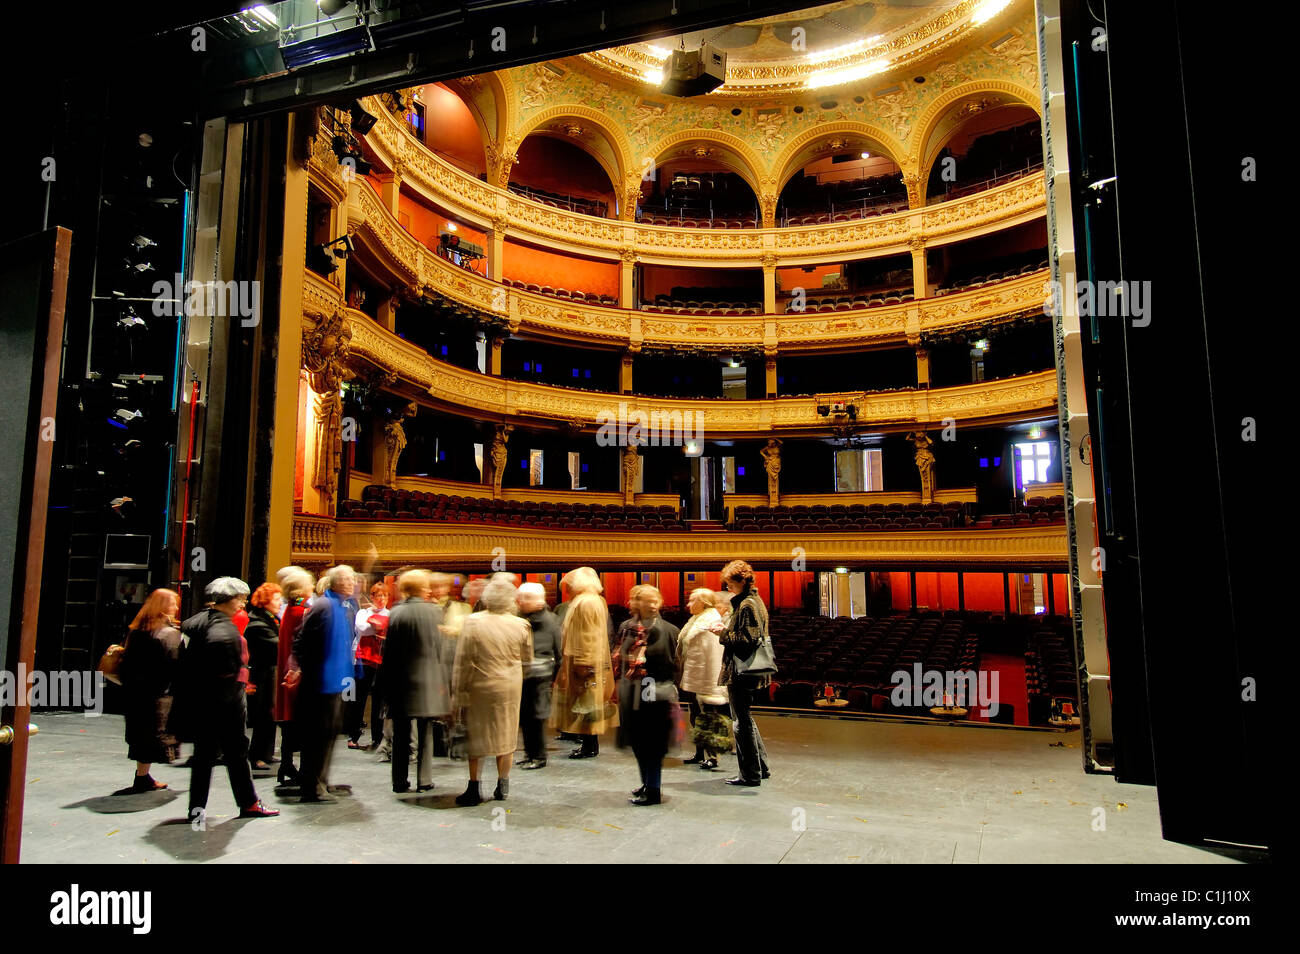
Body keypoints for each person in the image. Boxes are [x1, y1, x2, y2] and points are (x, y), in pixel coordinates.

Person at [174, 577, 278, 822]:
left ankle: (196, 808)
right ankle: (249, 803)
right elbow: (224, 660)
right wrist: (234, 683)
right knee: (236, 753)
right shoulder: (225, 627)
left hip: (200, 699)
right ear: (228, 600)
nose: (242, 603)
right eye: (240, 599)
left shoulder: (194, 621)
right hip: (225, 701)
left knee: (204, 756)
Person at [451, 574, 532, 805]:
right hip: (509, 688)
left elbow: (463, 660)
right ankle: (502, 784)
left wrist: (458, 691)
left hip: (479, 687)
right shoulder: (521, 624)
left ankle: (474, 787)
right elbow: (527, 660)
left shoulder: (472, 622)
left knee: (476, 735)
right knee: (505, 735)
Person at [294, 564, 358, 803]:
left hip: (334, 684)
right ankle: (312, 786)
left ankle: (320, 781)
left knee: (327, 737)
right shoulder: (323, 606)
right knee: (317, 738)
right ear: (337, 583)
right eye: (348, 579)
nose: (352, 583)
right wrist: (311, 673)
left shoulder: (341, 606)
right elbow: (302, 643)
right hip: (320, 685)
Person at [383, 569, 448, 793]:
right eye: (427, 586)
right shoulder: (433, 612)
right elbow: (438, 648)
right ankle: (425, 779)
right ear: (420, 588)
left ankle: (399, 781)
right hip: (427, 677)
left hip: (400, 679)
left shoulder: (396, 612)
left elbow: (389, 651)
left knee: (401, 733)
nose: (430, 589)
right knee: (426, 732)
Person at [615, 585, 680, 805]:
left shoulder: (670, 630)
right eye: (646, 600)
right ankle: (646, 782)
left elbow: (673, 665)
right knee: (637, 742)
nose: (652, 605)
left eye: (655, 600)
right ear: (635, 602)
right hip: (631, 690)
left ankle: (653, 789)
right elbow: (619, 658)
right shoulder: (626, 627)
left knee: (652, 744)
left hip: (654, 692)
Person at [116, 588, 182, 795]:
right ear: (164, 607)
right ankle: (142, 778)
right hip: (158, 695)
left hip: (135, 694)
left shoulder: (137, 631)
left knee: (141, 738)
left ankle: (142, 777)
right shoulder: (169, 634)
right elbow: (175, 665)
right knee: (154, 737)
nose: (176, 607)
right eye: (173, 604)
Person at [551, 568, 618, 759]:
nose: (568, 592)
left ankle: (590, 745)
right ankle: (589, 744)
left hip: (584, 662)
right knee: (586, 704)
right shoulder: (591, 600)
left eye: (569, 587)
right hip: (582, 660)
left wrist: (585, 662)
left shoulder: (587, 602)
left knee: (587, 703)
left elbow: (589, 635)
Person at [717, 560, 773, 787]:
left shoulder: (748, 605)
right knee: (746, 718)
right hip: (746, 670)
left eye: (730, 583)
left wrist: (721, 633)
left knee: (741, 722)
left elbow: (747, 640)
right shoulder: (754, 601)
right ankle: (761, 767)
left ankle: (750, 773)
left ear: (741, 582)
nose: (728, 587)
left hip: (742, 671)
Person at [676, 587, 730, 770]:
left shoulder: (710, 622)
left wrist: (712, 685)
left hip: (705, 679)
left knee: (708, 718)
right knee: (695, 717)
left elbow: (714, 657)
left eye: (693, 600)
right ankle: (700, 752)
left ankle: (713, 756)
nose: (689, 604)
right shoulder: (696, 620)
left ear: (704, 603)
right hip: (694, 676)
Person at [273, 566, 313, 787]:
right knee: (299, 719)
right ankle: (294, 767)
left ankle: (286, 764)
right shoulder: (301, 612)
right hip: (296, 673)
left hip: (288, 669)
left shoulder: (290, 609)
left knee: (290, 721)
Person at [515, 583, 560, 769]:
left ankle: (539, 756)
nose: (519, 601)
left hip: (540, 675)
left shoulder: (550, 620)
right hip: (523, 674)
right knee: (525, 716)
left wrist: (555, 676)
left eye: (525, 598)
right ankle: (529, 753)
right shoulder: (520, 618)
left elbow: (558, 650)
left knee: (536, 716)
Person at [244, 582, 282, 770]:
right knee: (262, 715)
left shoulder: (271, 618)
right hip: (260, 674)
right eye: (276, 599)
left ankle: (266, 753)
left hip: (270, 673)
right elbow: (277, 644)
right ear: (265, 601)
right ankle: (256, 755)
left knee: (270, 714)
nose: (279, 602)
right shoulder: (257, 622)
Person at [347, 582, 390, 750]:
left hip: (381, 660)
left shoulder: (390, 613)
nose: (381, 599)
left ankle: (377, 738)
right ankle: (353, 735)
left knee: (379, 701)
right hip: (362, 659)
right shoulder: (363, 613)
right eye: (378, 595)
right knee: (359, 699)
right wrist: (378, 626)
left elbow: (385, 630)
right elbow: (362, 629)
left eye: (384, 596)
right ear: (372, 597)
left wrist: (376, 625)